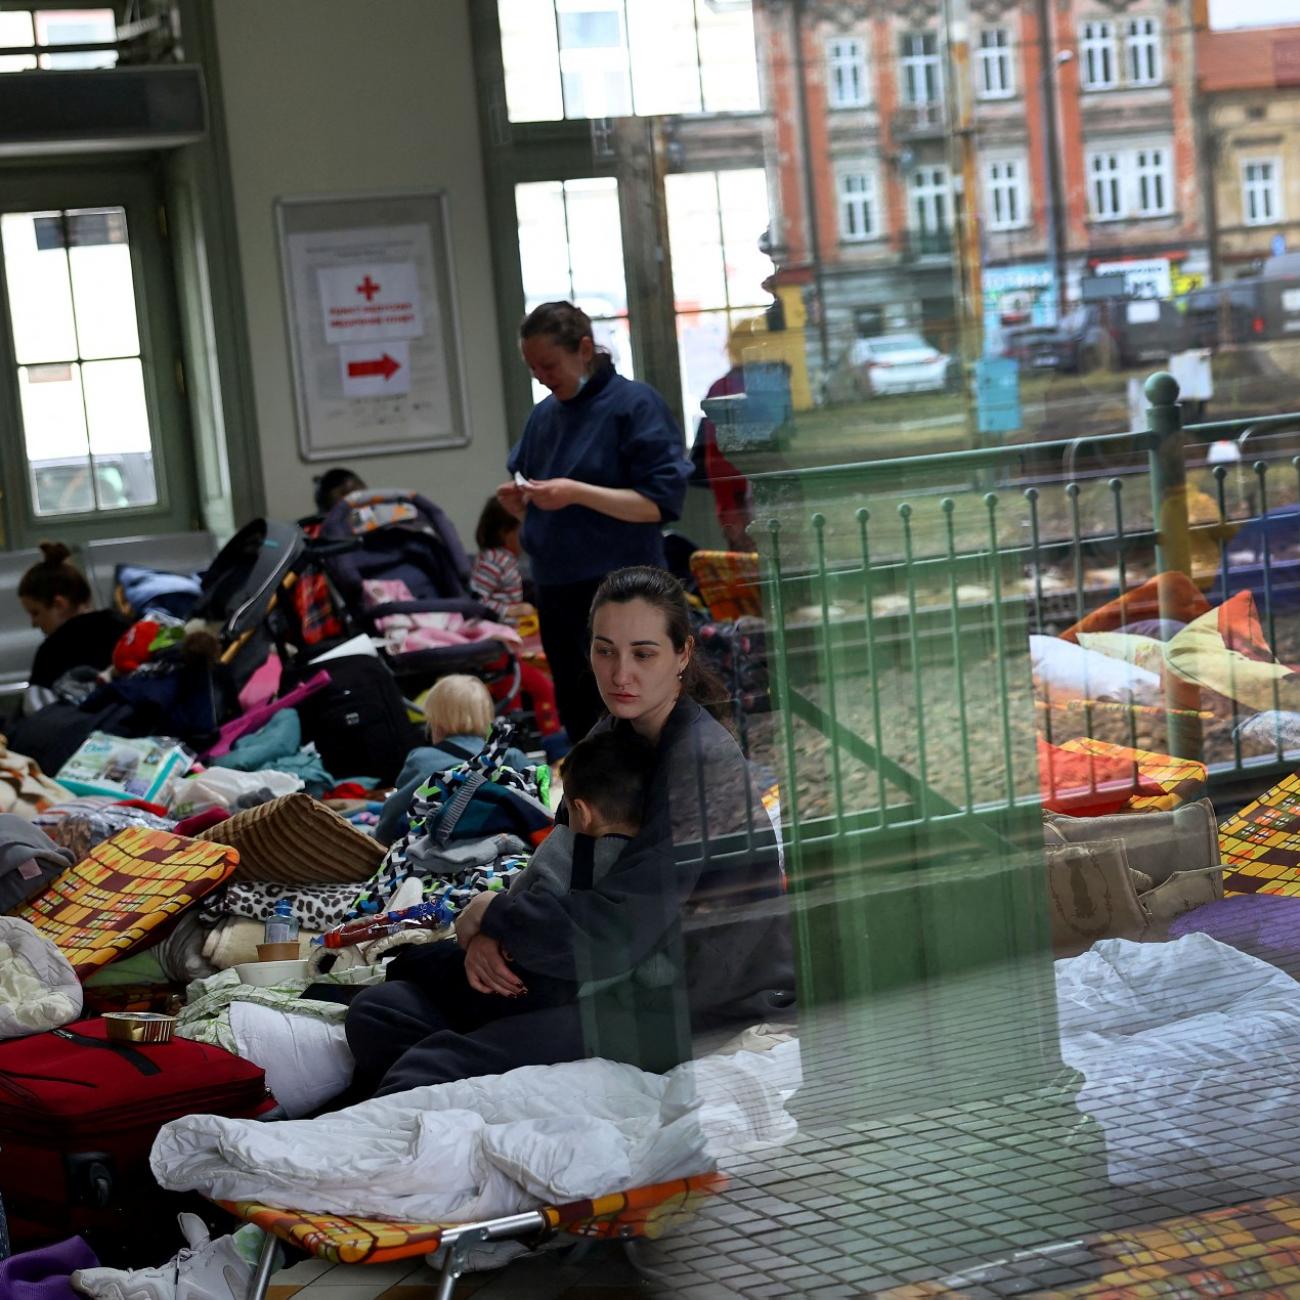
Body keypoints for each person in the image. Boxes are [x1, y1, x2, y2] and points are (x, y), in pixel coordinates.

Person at [344, 565, 794, 1097]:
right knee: (382, 1011)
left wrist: (497, 915)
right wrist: (491, 932)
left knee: (440, 1061)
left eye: (643, 654)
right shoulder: (614, 729)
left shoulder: (701, 764)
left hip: (683, 995)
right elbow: (561, 863)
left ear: (683, 654)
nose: (620, 673)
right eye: (605, 651)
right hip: (593, 967)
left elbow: (620, 932)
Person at [496, 302, 693, 742]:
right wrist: (522, 506)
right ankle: (596, 803)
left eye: (549, 364)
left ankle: (645, 802)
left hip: (621, 588)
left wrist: (575, 492)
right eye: (532, 369)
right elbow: (538, 492)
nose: (543, 377)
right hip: (557, 586)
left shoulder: (633, 405)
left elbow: (658, 503)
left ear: (585, 348)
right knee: (578, 710)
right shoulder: (544, 415)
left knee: (630, 705)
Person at [373, 674, 531, 847]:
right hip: (509, 848)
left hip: (442, 855)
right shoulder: (512, 756)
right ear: (487, 716)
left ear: (435, 720)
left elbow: (395, 811)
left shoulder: (423, 759)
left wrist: (379, 839)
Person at [17, 542, 130, 698]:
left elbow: (36, 705)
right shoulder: (124, 627)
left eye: (36, 613)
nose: (34, 623)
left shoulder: (51, 652)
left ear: (59, 604)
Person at [469, 495, 530, 623]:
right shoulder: (493, 561)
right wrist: (507, 610)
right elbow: (476, 600)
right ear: (504, 533)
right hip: (496, 628)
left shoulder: (508, 559)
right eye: (521, 529)